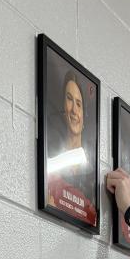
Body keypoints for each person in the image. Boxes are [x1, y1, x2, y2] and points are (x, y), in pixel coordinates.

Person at [46, 70, 96, 226]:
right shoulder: (51, 162)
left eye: (79, 104)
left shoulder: (93, 174)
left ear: (83, 116)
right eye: (69, 99)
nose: (74, 110)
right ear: (63, 107)